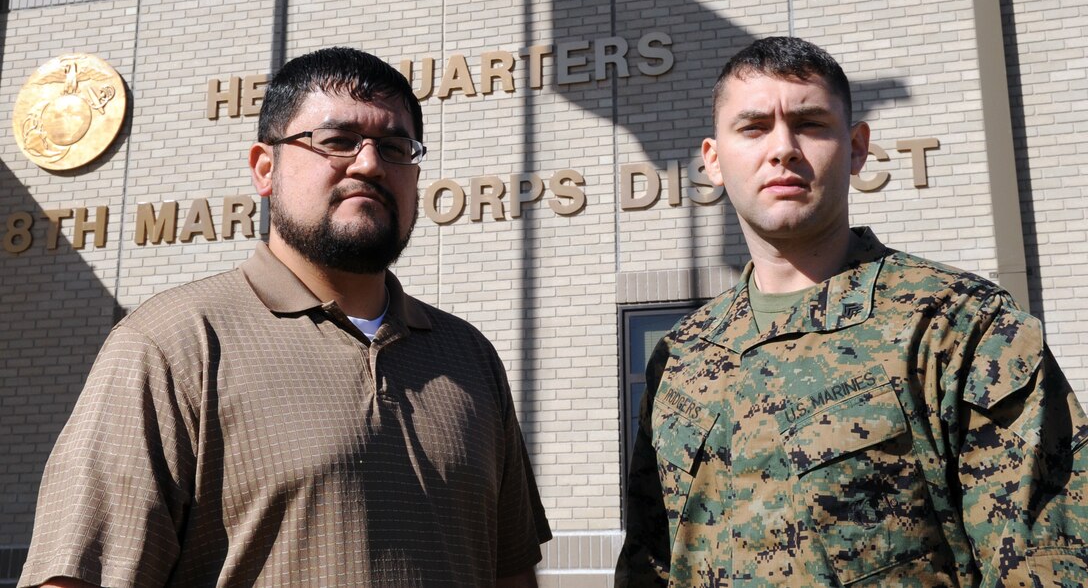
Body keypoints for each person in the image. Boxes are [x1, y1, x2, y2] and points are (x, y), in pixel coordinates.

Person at [19, 47, 551, 588]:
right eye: (337, 141)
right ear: (265, 168)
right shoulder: (173, 344)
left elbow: (512, 572)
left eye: (394, 147)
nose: (369, 164)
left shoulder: (468, 356)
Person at [615, 36, 1088, 587]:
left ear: (857, 147)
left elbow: (1049, 559)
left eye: (811, 123)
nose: (783, 148)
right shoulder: (683, 356)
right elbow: (649, 565)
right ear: (713, 161)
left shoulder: (958, 325)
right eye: (753, 128)